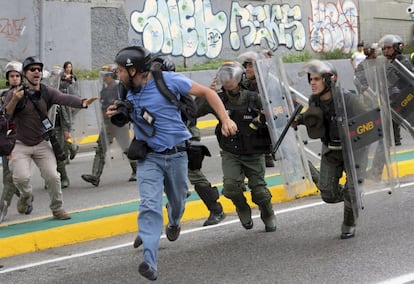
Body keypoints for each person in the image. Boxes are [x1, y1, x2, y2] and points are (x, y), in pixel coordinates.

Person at [107, 46, 237, 281]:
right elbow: (124, 113)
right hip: (149, 157)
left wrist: (225, 118)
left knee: (177, 202)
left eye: (120, 70)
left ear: (133, 70)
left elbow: (208, 94)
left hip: (177, 154)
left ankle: (174, 221)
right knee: (149, 205)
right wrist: (116, 111)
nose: (117, 74)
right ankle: (150, 261)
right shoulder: (125, 90)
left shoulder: (168, 80)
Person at [4, 56, 97, 220]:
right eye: (32, 69)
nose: (36, 72)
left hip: (41, 142)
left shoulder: (46, 91)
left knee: (53, 177)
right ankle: (26, 197)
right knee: (21, 178)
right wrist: (15, 100)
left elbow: (63, 98)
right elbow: (5, 115)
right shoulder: (15, 93)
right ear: (25, 73)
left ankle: (57, 208)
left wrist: (82, 102)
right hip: (20, 143)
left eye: (39, 69)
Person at [197, 61, 276, 233]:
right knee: (231, 188)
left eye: (230, 75)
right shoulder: (218, 99)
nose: (227, 79)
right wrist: (206, 94)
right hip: (231, 152)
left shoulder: (253, 97)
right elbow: (195, 111)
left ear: (239, 77)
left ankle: (268, 213)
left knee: (260, 192)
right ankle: (242, 207)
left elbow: (275, 116)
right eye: (223, 75)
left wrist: (266, 117)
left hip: (254, 153)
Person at [292, 59, 366, 239]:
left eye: (317, 79)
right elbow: (315, 117)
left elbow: (370, 123)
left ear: (329, 79)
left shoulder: (349, 99)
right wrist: (299, 120)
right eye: (311, 79)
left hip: (354, 151)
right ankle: (353, 197)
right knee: (328, 194)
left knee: (351, 191)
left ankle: (349, 222)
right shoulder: (314, 100)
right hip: (331, 151)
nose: (312, 83)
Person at [81, 64, 137, 186]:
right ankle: (95, 176)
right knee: (101, 147)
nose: (104, 78)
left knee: (127, 148)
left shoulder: (120, 88)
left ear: (112, 76)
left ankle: (137, 171)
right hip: (107, 123)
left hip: (119, 122)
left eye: (106, 76)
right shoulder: (104, 89)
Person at [238, 51, 275, 168]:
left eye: (251, 66)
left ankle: (267, 152)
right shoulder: (243, 85)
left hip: (269, 128)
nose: (247, 69)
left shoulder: (271, 84)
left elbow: (288, 104)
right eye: (246, 66)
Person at [378, 34, 414, 146]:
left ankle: (395, 139)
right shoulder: (387, 63)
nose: (386, 51)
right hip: (393, 99)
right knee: (391, 122)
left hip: (406, 98)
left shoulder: (403, 62)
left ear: (398, 47)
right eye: (384, 48)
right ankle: (395, 140)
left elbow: (407, 79)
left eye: (389, 48)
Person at [0, 61, 22, 223]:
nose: (14, 79)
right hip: (7, 138)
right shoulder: (4, 95)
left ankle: (3, 207)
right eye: (12, 76)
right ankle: (26, 198)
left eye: (17, 76)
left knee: (11, 176)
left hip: (22, 138)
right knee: (8, 174)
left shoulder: (27, 93)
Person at [59, 61, 79, 162]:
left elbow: (75, 91)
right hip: (61, 105)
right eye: (67, 67)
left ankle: (71, 149)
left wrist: (74, 103)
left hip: (69, 106)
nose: (69, 69)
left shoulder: (73, 78)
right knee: (64, 133)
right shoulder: (60, 78)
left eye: (70, 67)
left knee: (66, 130)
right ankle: (70, 150)